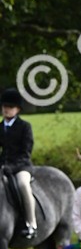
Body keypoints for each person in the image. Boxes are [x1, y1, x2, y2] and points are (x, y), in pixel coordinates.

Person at [0, 87, 38, 240]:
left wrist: (13, 167)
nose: (6, 110)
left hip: (22, 165)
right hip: (4, 166)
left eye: (10, 107)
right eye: (4, 107)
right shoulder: (0, 127)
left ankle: (31, 223)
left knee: (23, 184)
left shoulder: (24, 127)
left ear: (17, 109)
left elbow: (26, 152)